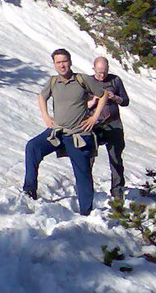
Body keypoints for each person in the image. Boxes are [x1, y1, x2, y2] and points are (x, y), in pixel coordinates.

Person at [23, 48, 108, 215]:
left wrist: (94, 117)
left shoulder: (81, 79)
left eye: (64, 61)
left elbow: (104, 94)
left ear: (70, 62)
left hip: (78, 134)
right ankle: (29, 191)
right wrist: (46, 116)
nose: (62, 65)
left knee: (82, 174)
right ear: (54, 64)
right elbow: (41, 96)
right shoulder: (53, 82)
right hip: (58, 132)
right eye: (58, 62)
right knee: (33, 147)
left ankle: (86, 212)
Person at [90, 56, 130, 201]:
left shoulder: (115, 80)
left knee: (116, 158)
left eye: (105, 72)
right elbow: (81, 104)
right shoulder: (87, 82)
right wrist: (93, 100)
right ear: (93, 68)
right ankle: (87, 190)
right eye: (99, 72)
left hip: (113, 123)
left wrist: (115, 98)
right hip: (94, 124)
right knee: (89, 157)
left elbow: (125, 101)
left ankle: (117, 191)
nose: (102, 76)